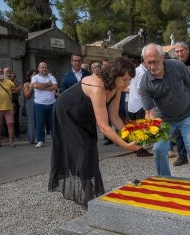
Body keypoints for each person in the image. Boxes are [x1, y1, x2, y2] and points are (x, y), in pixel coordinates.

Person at [48, 58, 141, 208]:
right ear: (114, 75)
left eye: (129, 80)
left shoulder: (116, 88)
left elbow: (115, 117)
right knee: (84, 149)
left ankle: (91, 192)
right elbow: (104, 126)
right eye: (124, 79)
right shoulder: (97, 87)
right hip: (67, 113)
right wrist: (125, 145)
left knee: (90, 146)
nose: (127, 84)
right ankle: (89, 199)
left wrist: (131, 135)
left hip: (85, 114)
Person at [140, 43, 190, 180]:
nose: (152, 67)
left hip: (187, 114)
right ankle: (164, 180)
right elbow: (149, 112)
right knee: (158, 149)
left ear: (163, 57)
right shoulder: (145, 82)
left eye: (155, 62)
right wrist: (152, 131)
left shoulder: (178, 66)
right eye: (148, 63)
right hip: (164, 119)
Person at [127, 61, 152, 157]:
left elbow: (128, 88)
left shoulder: (135, 70)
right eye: (149, 62)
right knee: (140, 128)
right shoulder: (142, 72)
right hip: (140, 104)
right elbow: (140, 90)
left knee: (134, 128)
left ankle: (135, 147)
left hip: (131, 104)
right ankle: (140, 150)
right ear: (145, 62)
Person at [32, 62, 58, 148]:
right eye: (42, 68)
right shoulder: (34, 77)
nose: (44, 69)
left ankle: (56, 140)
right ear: (38, 68)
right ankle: (40, 140)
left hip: (51, 103)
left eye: (45, 67)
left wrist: (42, 87)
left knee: (53, 123)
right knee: (40, 123)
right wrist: (48, 84)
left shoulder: (52, 77)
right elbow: (35, 86)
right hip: (39, 104)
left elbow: (55, 87)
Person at [4, 68, 22, 138]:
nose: (8, 73)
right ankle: (7, 135)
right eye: (6, 72)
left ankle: (17, 134)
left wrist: (14, 90)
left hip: (14, 102)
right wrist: (14, 90)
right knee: (6, 120)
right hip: (6, 102)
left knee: (16, 118)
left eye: (9, 71)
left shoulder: (14, 80)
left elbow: (20, 88)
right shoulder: (2, 80)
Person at [23, 70, 37, 144]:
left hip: (38, 102)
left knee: (38, 120)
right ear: (30, 76)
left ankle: (39, 137)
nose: (35, 76)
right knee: (31, 120)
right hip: (30, 103)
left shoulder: (38, 83)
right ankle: (32, 138)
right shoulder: (26, 84)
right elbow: (26, 96)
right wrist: (31, 87)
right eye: (34, 74)